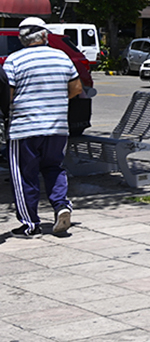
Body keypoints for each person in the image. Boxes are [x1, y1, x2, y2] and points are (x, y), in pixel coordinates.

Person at [5, 17, 81, 239]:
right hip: (57, 126)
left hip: (24, 128)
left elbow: (7, 94)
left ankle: (30, 224)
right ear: (45, 36)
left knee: (24, 175)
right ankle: (61, 205)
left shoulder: (14, 60)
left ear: (21, 38)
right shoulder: (62, 57)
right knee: (54, 167)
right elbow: (77, 88)